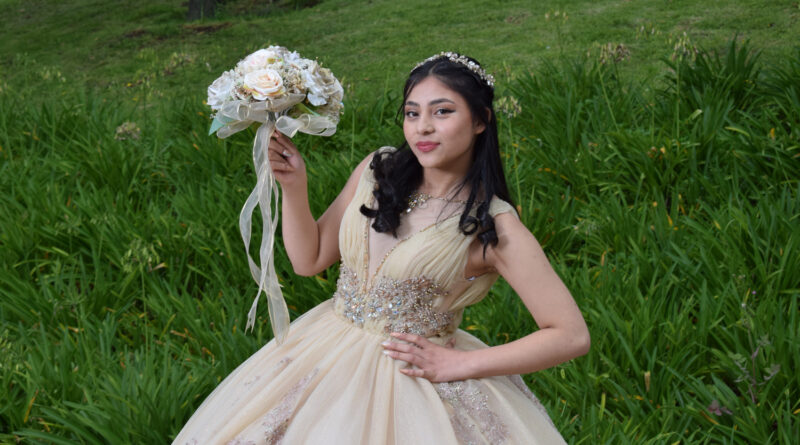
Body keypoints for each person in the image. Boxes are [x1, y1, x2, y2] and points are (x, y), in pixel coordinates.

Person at [173, 52, 590, 444]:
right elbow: (309, 259)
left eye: (442, 111)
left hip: (412, 380)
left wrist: (461, 364)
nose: (422, 127)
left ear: (481, 120)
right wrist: (294, 187)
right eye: (413, 113)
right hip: (323, 352)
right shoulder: (379, 169)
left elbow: (570, 335)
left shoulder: (492, 225)